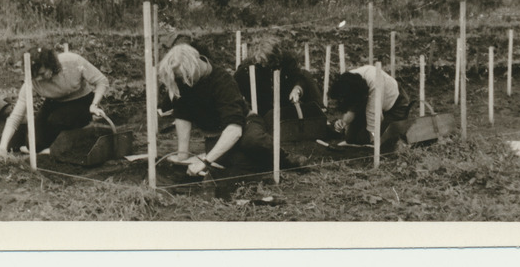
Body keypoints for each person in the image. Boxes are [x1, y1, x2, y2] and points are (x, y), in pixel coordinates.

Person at [157, 43, 306, 178]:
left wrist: (205, 161)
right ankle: (259, 165)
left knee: (253, 142)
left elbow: (234, 129)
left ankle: (285, 159)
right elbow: (183, 115)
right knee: (233, 164)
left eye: (184, 77)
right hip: (216, 134)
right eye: (179, 78)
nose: (183, 82)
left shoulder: (222, 81)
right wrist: (182, 155)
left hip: (245, 124)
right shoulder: (184, 79)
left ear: (195, 65)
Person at [0, 47, 109, 154]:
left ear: (50, 64)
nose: (39, 79)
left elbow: (101, 81)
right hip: (54, 103)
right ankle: (49, 149)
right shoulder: (32, 82)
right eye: (35, 76)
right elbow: (15, 117)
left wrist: (94, 105)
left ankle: (65, 144)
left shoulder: (72, 62)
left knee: (57, 120)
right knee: (33, 144)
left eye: (42, 73)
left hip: (81, 100)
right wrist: (2, 147)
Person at [233, 35, 324, 117]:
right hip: (262, 105)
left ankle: (321, 113)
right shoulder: (246, 68)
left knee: (306, 74)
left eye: (268, 62)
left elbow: (298, 76)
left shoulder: (286, 58)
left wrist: (297, 89)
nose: (264, 65)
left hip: (283, 100)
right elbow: (234, 87)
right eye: (262, 61)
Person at [328, 65, 411, 149]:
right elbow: (352, 108)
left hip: (395, 106)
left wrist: (374, 139)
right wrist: (344, 122)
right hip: (369, 101)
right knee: (351, 138)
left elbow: (373, 115)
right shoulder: (348, 81)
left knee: (377, 139)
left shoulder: (375, 84)